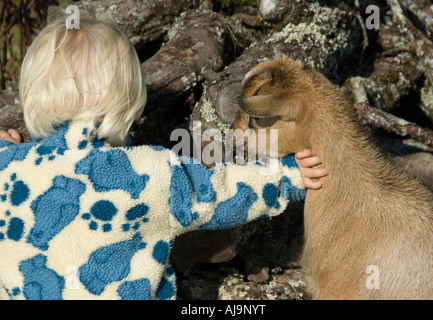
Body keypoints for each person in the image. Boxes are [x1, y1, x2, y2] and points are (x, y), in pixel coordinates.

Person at [0, 17, 328, 300]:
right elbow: (219, 194)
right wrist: (287, 177)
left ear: (33, 94)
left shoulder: (7, 170)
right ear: (127, 97)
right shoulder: (146, 175)